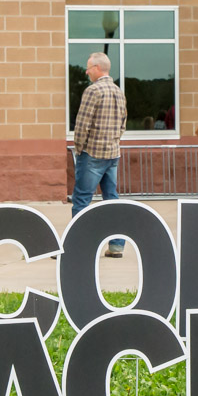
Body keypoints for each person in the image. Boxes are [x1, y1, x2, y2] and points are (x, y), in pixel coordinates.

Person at [70, 52, 128, 258]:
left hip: (92, 152)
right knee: (111, 199)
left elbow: (82, 124)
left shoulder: (92, 91)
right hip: (113, 153)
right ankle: (117, 245)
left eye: (88, 68)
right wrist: (113, 141)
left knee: (81, 199)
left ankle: (77, 243)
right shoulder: (119, 92)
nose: (86, 72)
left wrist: (79, 148)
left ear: (97, 68)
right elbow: (123, 123)